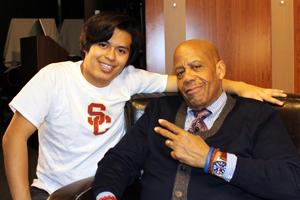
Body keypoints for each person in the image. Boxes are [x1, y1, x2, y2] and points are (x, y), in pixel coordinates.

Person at [2, 11, 285, 200]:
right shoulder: (55, 76)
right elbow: (14, 138)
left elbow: (192, 82)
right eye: (102, 45)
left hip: (97, 184)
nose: (110, 57)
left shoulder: (130, 79)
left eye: (121, 50)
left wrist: (243, 89)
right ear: (86, 46)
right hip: (56, 191)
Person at [92, 39, 300, 200]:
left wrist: (211, 160)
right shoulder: (160, 111)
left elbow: (292, 182)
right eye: (180, 72)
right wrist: (106, 195)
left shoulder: (257, 116)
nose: (188, 77)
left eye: (197, 67)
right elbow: (118, 161)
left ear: (220, 70)